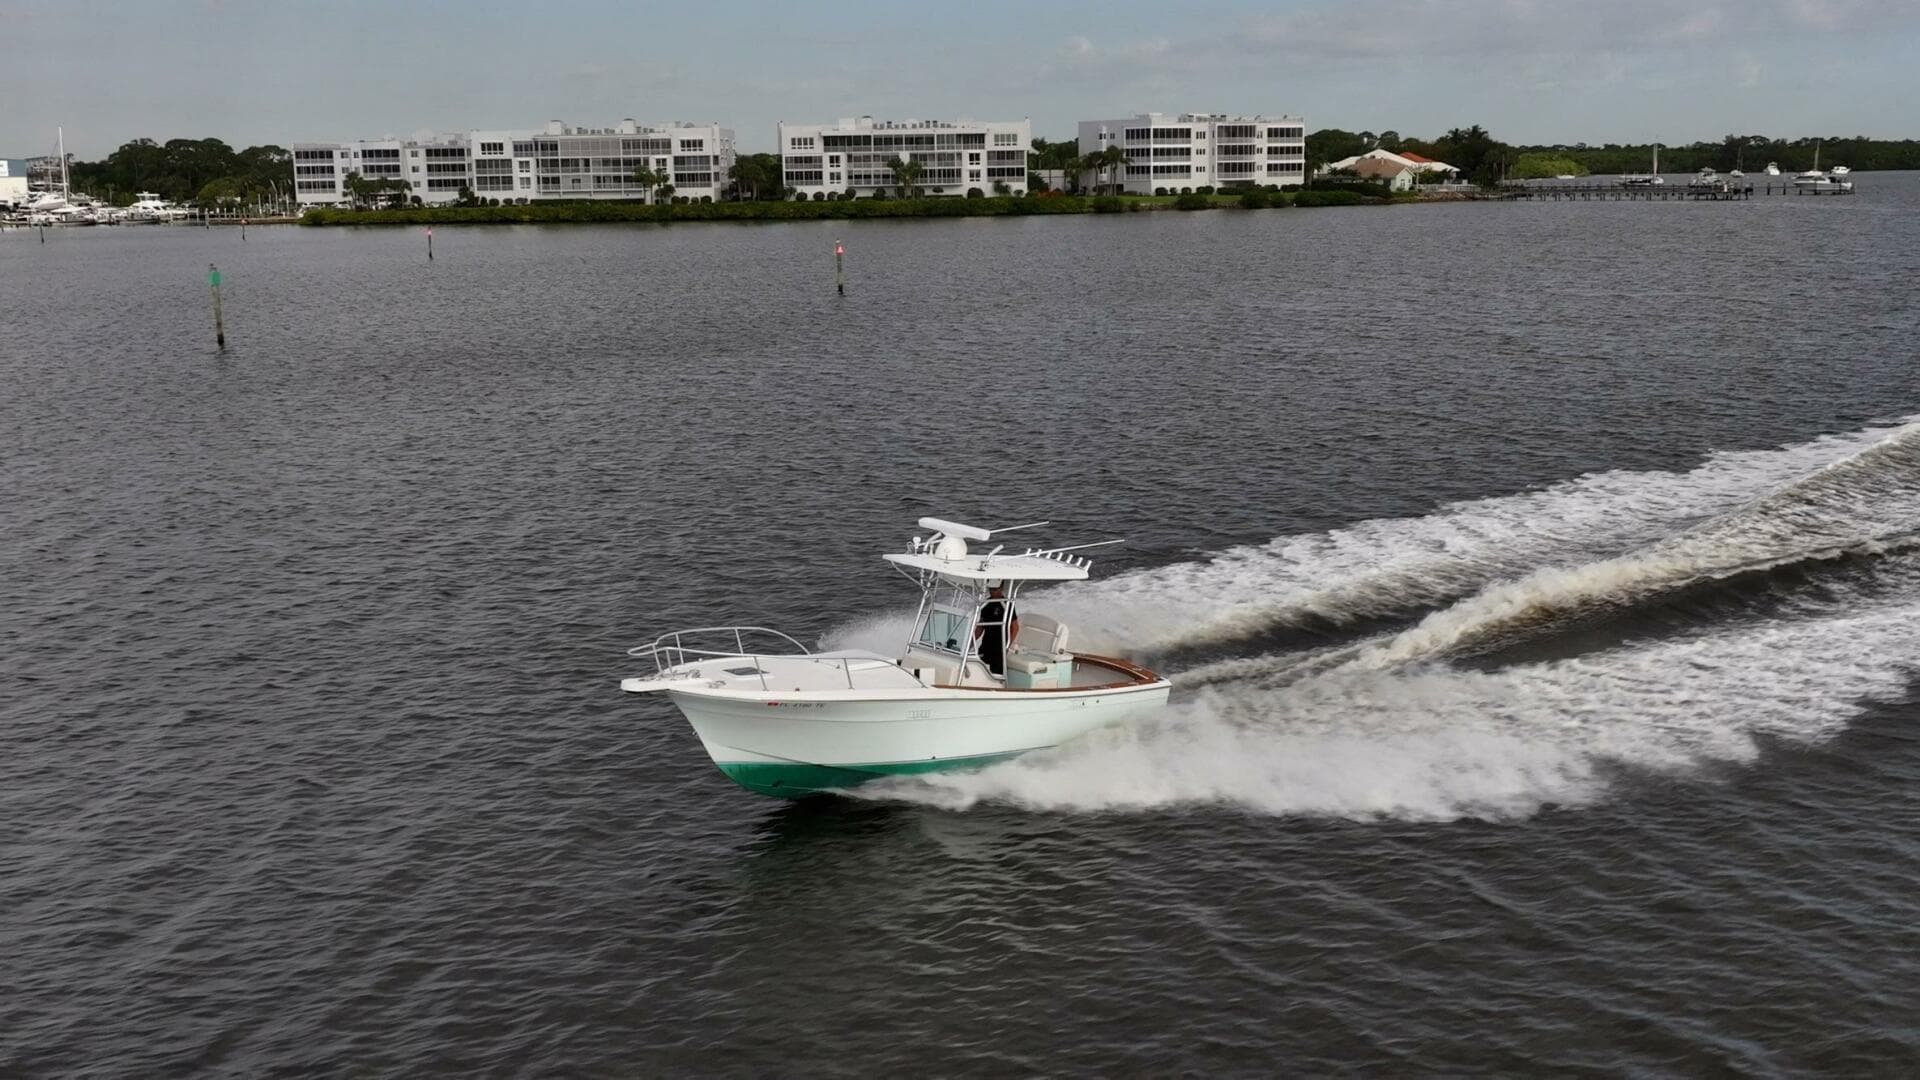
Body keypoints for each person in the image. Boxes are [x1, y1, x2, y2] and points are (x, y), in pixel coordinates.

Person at [974, 583, 1020, 678]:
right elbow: (981, 626)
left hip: (1000, 647)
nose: (992, 592)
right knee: (979, 669)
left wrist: (1007, 646)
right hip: (986, 644)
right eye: (990, 589)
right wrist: (971, 641)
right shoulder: (986, 604)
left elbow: (1015, 627)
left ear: (1001, 588)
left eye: (995, 590)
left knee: (996, 675)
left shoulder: (1007, 605)